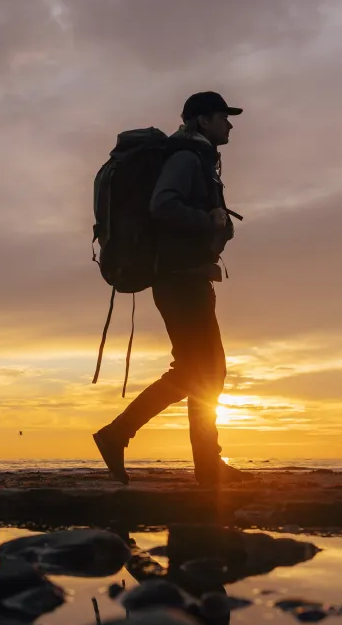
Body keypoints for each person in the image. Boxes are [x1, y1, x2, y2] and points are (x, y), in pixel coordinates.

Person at [93, 91, 252, 488]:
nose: (229, 124)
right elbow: (163, 205)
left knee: (205, 371)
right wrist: (206, 219)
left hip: (189, 277)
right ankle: (124, 437)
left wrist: (217, 225)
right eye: (222, 117)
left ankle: (200, 463)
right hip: (180, 281)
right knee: (202, 371)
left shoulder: (199, 160)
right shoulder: (185, 158)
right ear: (200, 120)